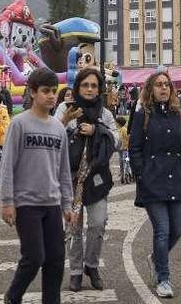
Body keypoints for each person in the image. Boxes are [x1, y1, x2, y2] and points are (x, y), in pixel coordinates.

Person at [1, 68, 75, 304]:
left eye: (54, 91)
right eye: (45, 91)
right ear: (33, 92)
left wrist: (67, 204)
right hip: (26, 204)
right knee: (34, 257)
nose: (51, 96)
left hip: (52, 204)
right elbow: (7, 165)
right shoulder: (19, 124)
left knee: (55, 261)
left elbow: (63, 170)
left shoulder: (58, 128)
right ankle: (13, 296)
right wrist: (7, 202)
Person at [129, 71, 181, 298]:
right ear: (151, 89)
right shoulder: (142, 114)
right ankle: (163, 278)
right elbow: (134, 147)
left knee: (177, 230)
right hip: (152, 180)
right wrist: (141, 173)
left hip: (177, 178)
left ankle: (156, 258)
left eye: (166, 85)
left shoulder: (179, 114)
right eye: (158, 85)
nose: (164, 88)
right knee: (162, 231)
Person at [55, 68, 118, 292]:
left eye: (94, 85)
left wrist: (97, 130)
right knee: (74, 228)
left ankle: (91, 265)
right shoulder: (66, 108)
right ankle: (75, 272)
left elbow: (117, 140)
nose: (90, 89)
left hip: (97, 178)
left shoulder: (105, 113)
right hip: (71, 179)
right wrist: (65, 122)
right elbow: (52, 135)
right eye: (85, 85)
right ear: (77, 87)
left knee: (98, 223)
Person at [116, 116, 130, 184]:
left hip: (125, 149)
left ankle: (126, 176)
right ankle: (122, 175)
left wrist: (127, 146)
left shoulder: (124, 129)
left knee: (125, 163)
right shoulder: (119, 130)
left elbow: (127, 138)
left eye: (117, 123)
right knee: (121, 163)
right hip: (120, 149)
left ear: (120, 123)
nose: (116, 124)